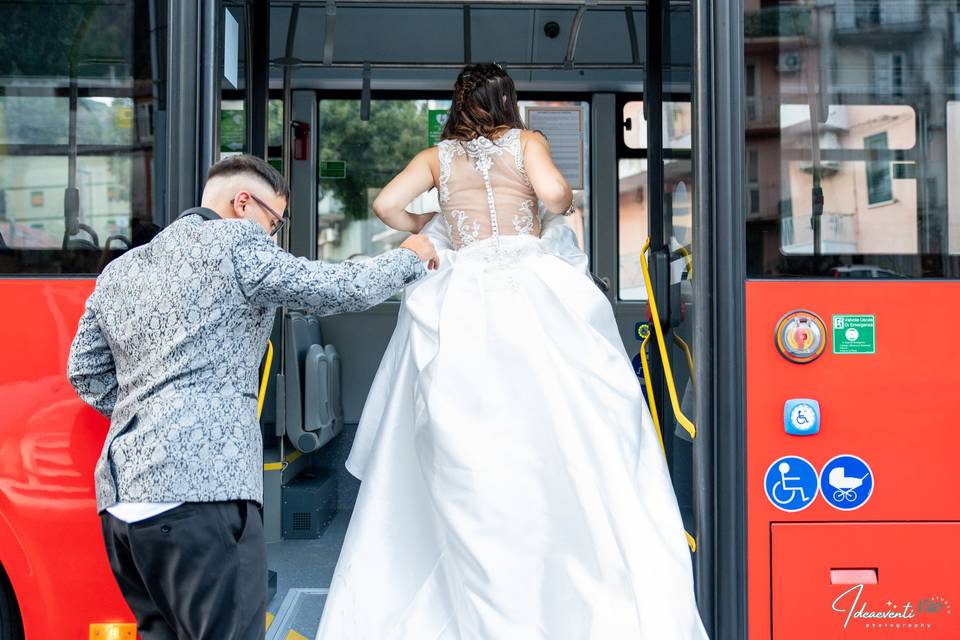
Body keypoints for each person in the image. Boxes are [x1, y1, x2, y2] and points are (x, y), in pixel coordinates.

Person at [315, 64, 709, 639]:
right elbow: (555, 194)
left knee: (464, 426)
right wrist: (549, 192)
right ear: (507, 101)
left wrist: (434, 218)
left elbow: (386, 206)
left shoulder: (436, 157)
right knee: (560, 417)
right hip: (529, 284)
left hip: (463, 290)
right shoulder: (527, 141)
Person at [66, 154, 437, 640]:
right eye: (275, 222)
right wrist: (409, 256)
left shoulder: (124, 267)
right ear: (244, 204)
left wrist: (155, 411)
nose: (273, 236)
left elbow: (85, 370)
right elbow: (334, 289)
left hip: (123, 505)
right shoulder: (237, 241)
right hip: (202, 492)